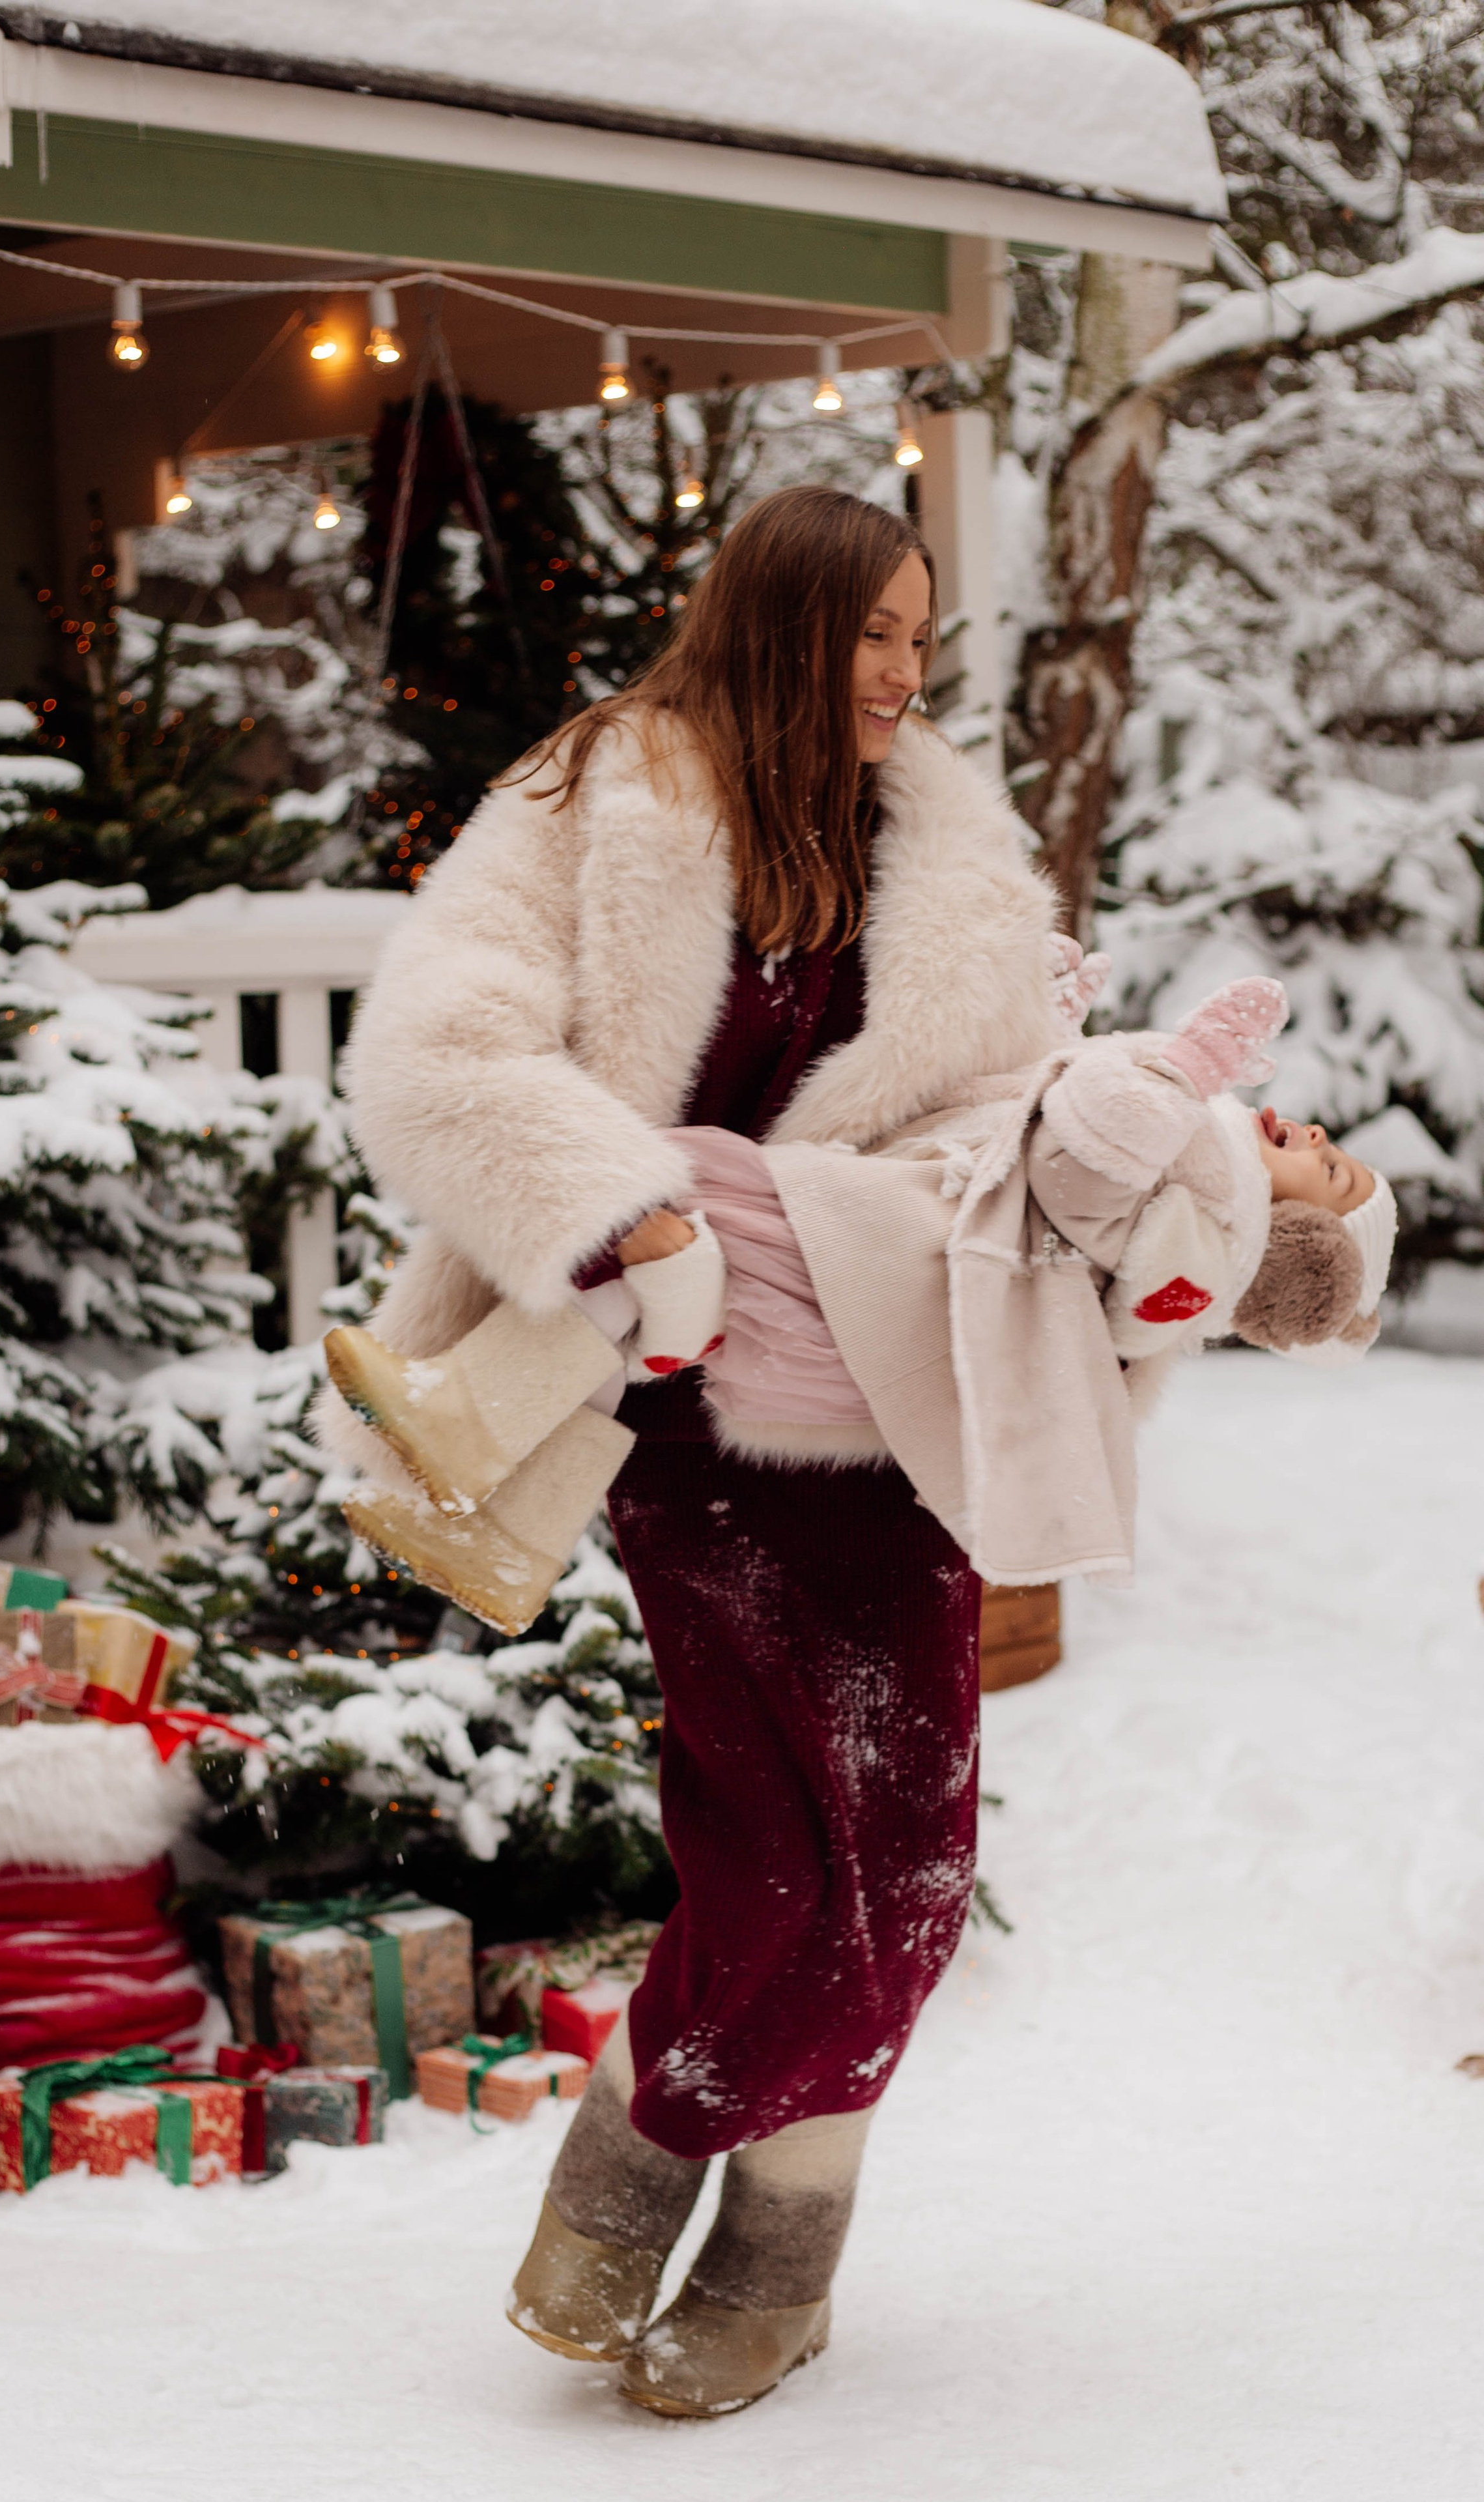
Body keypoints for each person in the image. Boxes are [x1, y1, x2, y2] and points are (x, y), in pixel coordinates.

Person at [318, 483, 1152, 2417]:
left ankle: (693, 2182)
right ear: (777, 620)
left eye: (922, 644)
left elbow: (1027, 1132)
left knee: (919, 1866)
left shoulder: (944, 851)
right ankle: (705, 2218)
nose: (902, 679)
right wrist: (625, 1209)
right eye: (873, 638)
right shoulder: (595, 797)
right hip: (681, 1409)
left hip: (898, 1404)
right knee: (774, 1854)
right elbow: (441, 1050)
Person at [322, 975, 1396, 1632]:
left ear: (1300, 1250)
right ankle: (509, 1524)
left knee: (677, 1180)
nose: (1311, 1137)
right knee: (665, 1265)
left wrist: (1177, 1071)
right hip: (880, 1276)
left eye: (1333, 1171)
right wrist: (1054, 1027)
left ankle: (492, 1417)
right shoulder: (1205, 1191)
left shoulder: (1213, 1222)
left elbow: (1081, 1171)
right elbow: (1022, 1122)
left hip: (885, 1278)